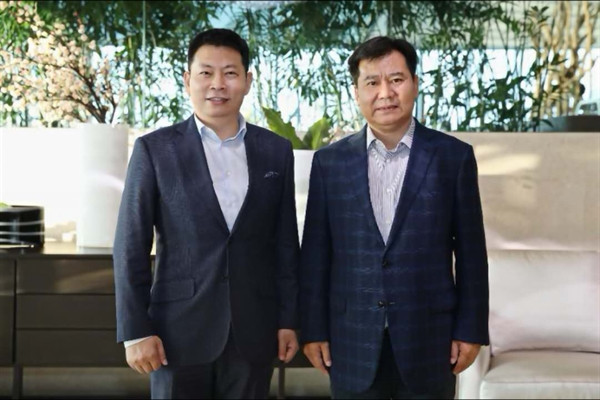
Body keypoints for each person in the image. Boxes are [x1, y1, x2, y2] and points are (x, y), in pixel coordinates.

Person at [113, 28, 300, 399]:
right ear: (188, 80)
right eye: (206, 73)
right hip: (175, 333)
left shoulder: (276, 150)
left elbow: (284, 244)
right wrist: (135, 331)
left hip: (254, 330)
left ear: (247, 81)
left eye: (230, 73)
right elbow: (130, 245)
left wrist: (288, 319)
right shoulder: (155, 150)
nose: (218, 84)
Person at [299, 36, 489, 399]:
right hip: (350, 338)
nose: (385, 92)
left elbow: (471, 254)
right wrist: (313, 329)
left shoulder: (453, 158)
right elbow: (315, 256)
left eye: (397, 79)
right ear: (356, 92)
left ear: (414, 84)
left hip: (430, 338)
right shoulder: (329, 163)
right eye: (372, 82)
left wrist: (471, 330)